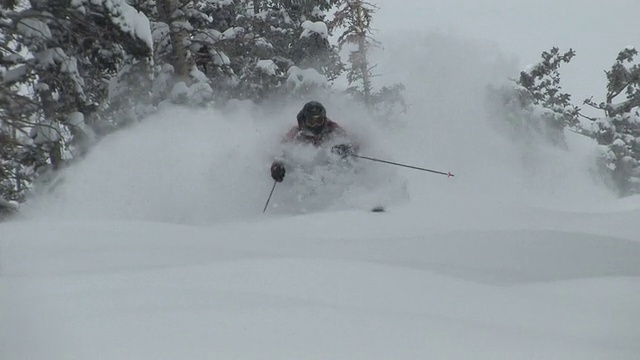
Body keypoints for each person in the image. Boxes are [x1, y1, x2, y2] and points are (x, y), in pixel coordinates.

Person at [270, 101, 359, 182]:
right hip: (303, 173)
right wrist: (276, 167)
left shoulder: (332, 128)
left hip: (329, 172)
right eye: (311, 121)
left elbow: (354, 142)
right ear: (305, 121)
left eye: (319, 120)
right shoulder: (297, 133)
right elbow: (281, 150)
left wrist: (347, 148)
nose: (316, 125)